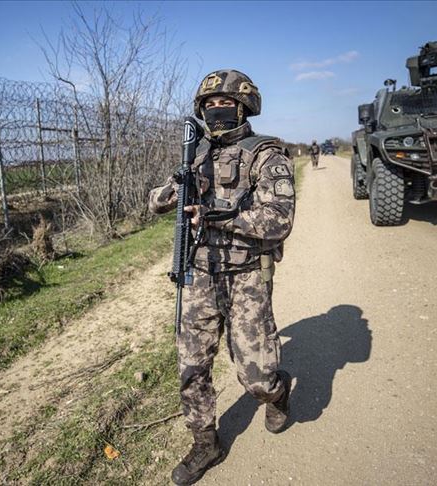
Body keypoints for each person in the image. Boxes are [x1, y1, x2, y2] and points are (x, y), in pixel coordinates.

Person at [148, 69, 296, 485]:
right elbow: (155, 202)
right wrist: (175, 192)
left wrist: (218, 216)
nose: (216, 111)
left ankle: (277, 392)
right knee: (192, 366)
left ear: (243, 107)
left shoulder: (265, 155)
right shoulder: (194, 156)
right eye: (209, 106)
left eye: (225, 104)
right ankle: (205, 442)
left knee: (256, 377)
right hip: (200, 274)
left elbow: (278, 220)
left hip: (247, 275)